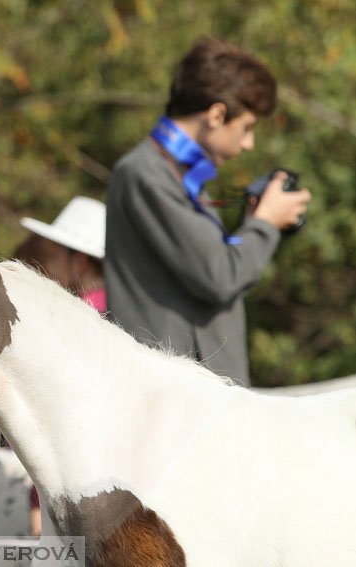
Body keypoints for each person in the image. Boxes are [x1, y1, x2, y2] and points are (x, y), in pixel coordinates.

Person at [105, 37, 311, 386]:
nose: (249, 144)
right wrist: (264, 224)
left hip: (197, 399)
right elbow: (220, 277)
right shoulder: (145, 173)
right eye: (247, 128)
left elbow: (211, 269)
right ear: (216, 114)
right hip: (172, 401)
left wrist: (252, 223)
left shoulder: (181, 176)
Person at [16, 196, 107, 536]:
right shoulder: (120, 315)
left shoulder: (69, 320)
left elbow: (53, 419)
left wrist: (38, 501)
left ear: (80, 260)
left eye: (57, 255)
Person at [17, 196, 106, 312]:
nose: (47, 265)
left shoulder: (77, 313)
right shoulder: (119, 309)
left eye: (53, 257)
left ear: (79, 262)